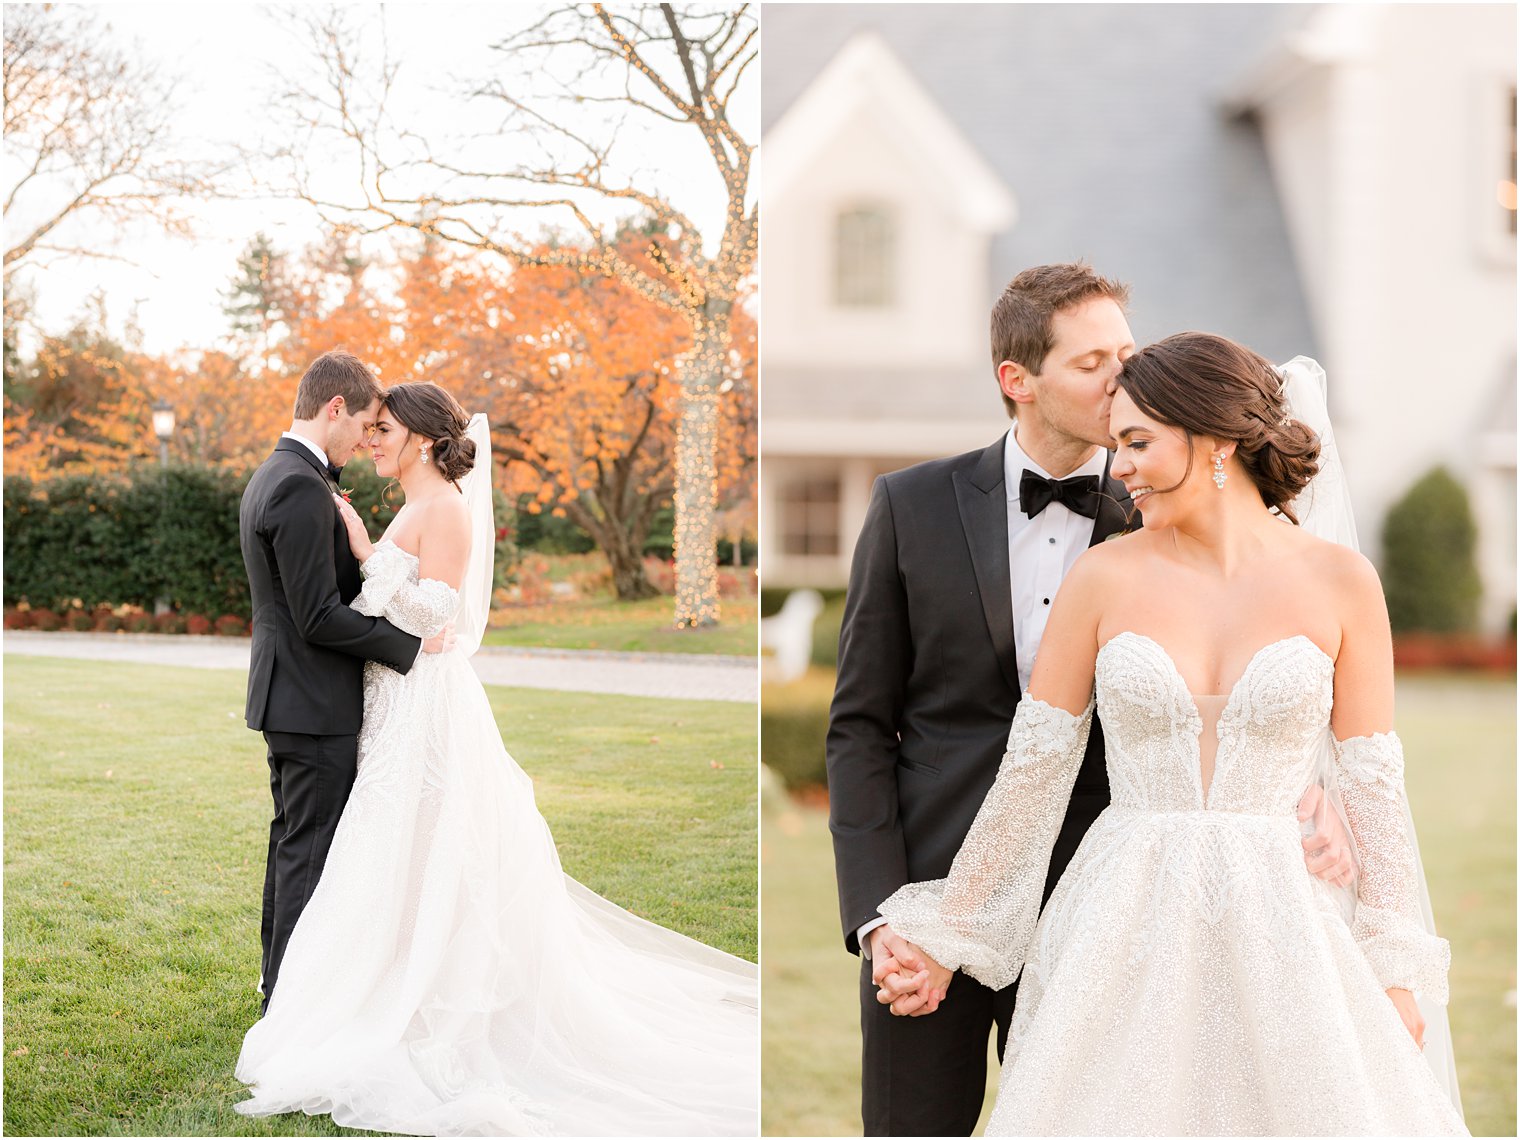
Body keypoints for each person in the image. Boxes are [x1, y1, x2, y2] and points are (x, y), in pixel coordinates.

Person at [878, 333, 1466, 1135]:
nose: (1118, 466)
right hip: (1126, 921)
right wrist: (952, 930)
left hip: (1288, 924)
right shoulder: (1104, 577)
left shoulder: (1343, 583)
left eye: (1137, 442)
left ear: (1216, 436)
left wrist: (1395, 971)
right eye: (1118, 443)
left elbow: (1373, 787)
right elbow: (1034, 775)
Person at [826, 264, 1354, 1135]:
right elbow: (858, 728)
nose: (1122, 381)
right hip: (935, 893)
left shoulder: (1166, 507)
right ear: (1017, 380)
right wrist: (881, 917)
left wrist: (1314, 787)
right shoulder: (909, 505)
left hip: (1115, 910)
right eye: (1093, 364)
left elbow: (1261, 669)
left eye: (1128, 355)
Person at [234, 381, 758, 1136]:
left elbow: (437, 614)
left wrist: (366, 560)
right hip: (388, 703)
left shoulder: (443, 508)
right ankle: (359, 985)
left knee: (425, 851)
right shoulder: (409, 508)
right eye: (370, 427)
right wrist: (370, 556)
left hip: (425, 702)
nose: (373, 441)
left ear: (418, 437)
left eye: (384, 430)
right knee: (380, 855)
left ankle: (414, 996)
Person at [239, 350, 449, 1014]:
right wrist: (408, 648)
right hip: (313, 701)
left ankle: (278, 984)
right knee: (308, 851)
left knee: (292, 842)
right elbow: (318, 616)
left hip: (292, 697)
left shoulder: (278, 473)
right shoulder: (300, 484)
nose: (365, 438)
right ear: (335, 409)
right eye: (362, 423)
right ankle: (292, 1003)